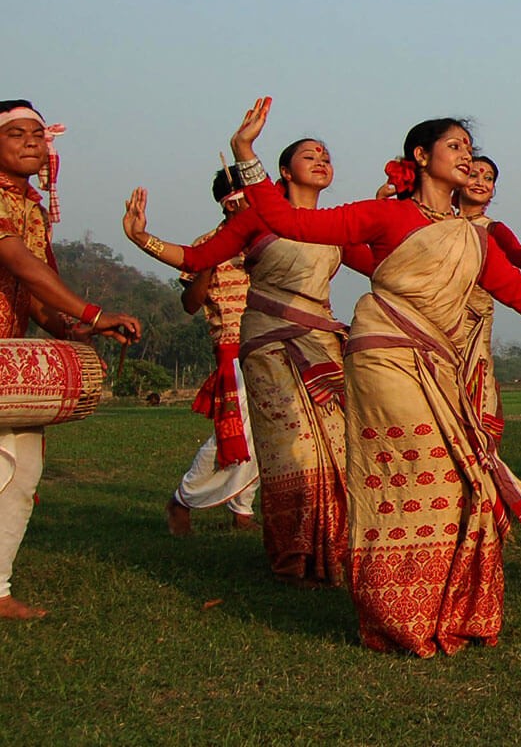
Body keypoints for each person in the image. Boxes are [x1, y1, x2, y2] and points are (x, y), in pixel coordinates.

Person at [226, 98, 521, 656]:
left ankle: (439, 607)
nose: (467, 158)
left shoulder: (474, 238)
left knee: (456, 485)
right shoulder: (387, 215)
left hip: (438, 362)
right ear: (420, 157)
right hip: (384, 354)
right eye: (455, 147)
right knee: (407, 476)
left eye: (469, 149)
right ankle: (394, 613)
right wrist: (246, 153)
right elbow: (290, 220)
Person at [126, 137, 368, 586]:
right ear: (284, 171)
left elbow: (382, 264)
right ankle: (294, 554)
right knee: (286, 445)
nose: (321, 161)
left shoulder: (336, 223)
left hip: (320, 342)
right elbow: (194, 264)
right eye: (308, 156)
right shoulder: (252, 222)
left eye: (327, 156)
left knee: (334, 444)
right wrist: (142, 238)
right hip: (261, 344)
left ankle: (333, 546)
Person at [0, 101, 141, 620]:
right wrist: (96, 311)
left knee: (22, 472)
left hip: (10, 360)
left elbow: (35, 296)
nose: (32, 142)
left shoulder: (32, 210)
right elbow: (17, 262)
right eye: (17, 133)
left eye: (38, 133)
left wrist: (76, 328)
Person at [163, 167, 260, 536]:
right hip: (233, 344)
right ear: (228, 202)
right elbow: (190, 303)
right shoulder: (206, 244)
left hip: (271, 339)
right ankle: (183, 498)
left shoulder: (268, 240)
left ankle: (242, 507)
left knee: (269, 428)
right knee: (232, 432)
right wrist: (207, 263)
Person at [454, 155, 521, 446]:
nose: (480, 182)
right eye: (474, 174)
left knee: (474, 400)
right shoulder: (438, 222)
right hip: (434, 319)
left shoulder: (492, 229)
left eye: (488, 178)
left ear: (493, 190)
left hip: (472, 325)